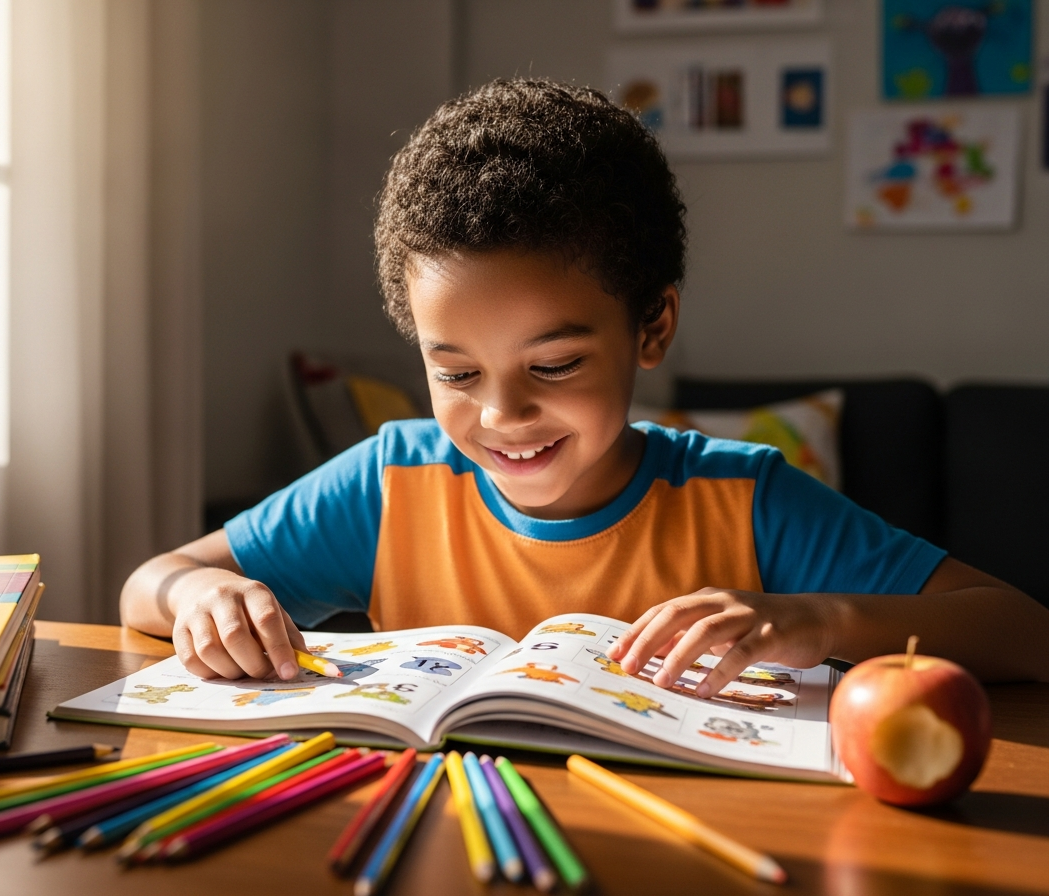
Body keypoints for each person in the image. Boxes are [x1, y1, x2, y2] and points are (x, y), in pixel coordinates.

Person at [120, 79, 1049, 693]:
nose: (501, 417)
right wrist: (194, 599)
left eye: (555, 365)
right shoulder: (390, 479)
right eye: (455, 372)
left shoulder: (744, 499)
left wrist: (823, 619)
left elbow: (1023, 629)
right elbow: (148, 585)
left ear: (653, 327)